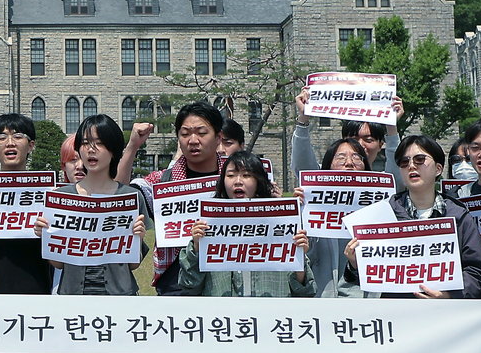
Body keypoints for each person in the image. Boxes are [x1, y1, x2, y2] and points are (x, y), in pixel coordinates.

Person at [342, 135, 481, 300]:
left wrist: (449, 295)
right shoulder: (382, 214)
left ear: (438, 169)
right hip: (395, 314)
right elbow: (363, 278)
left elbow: (476, 274)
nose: (412, 166)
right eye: (404, 162)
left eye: (420, 160)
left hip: (445, 317)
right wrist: (355, 264)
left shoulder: (459, 216)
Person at [37, 114, 148, 297]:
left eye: (99, 143)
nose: (91, 150)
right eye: (85, 143)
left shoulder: (131, 197)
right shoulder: (61, 198)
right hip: (73, 296)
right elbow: (58, 263)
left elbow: (133, 264)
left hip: (119, 297)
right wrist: (46, 237)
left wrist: (138, 237)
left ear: (113, 149)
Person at [122, 103, 226, 295]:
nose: (193, 140)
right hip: (176, 284)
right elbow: (120, 196)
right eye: (185, 134)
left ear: (219, 137)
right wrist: (132, 146)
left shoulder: (239, 178)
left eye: (201, 133)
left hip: (226, 282)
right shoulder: (163, 181)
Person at [178, 152, 314, 297]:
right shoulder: (207, 225)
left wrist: (299, 257)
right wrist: (198, 247)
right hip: (223, 317)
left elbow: (305, 291)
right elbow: (189, 285)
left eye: (246, 175)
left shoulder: (281, 224)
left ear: (258, 181)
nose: (238, 181)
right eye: (231, 175)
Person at [297, 137, 371, 298]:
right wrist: (297, 210)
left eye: (357, 157)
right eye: (341, 158)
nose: (349, 163)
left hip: (363, 306)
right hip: (317, 307)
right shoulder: (310, 207)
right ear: (327, 166)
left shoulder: (377, 208)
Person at [0, 114, 52, 294]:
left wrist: (48, 231)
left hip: (36, 286)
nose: (9, 143)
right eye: (1, 137)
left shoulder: (49, 193)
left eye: (17, 136)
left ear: (31, 145)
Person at [291, 87, 404, 184]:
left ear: (380, 145)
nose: (360, 145)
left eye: (368, 140)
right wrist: (303, 119)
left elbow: (398, 180)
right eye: (353, 139)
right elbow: (303, 169)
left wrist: (392, 127)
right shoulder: (320, 179)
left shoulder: (385, 184)